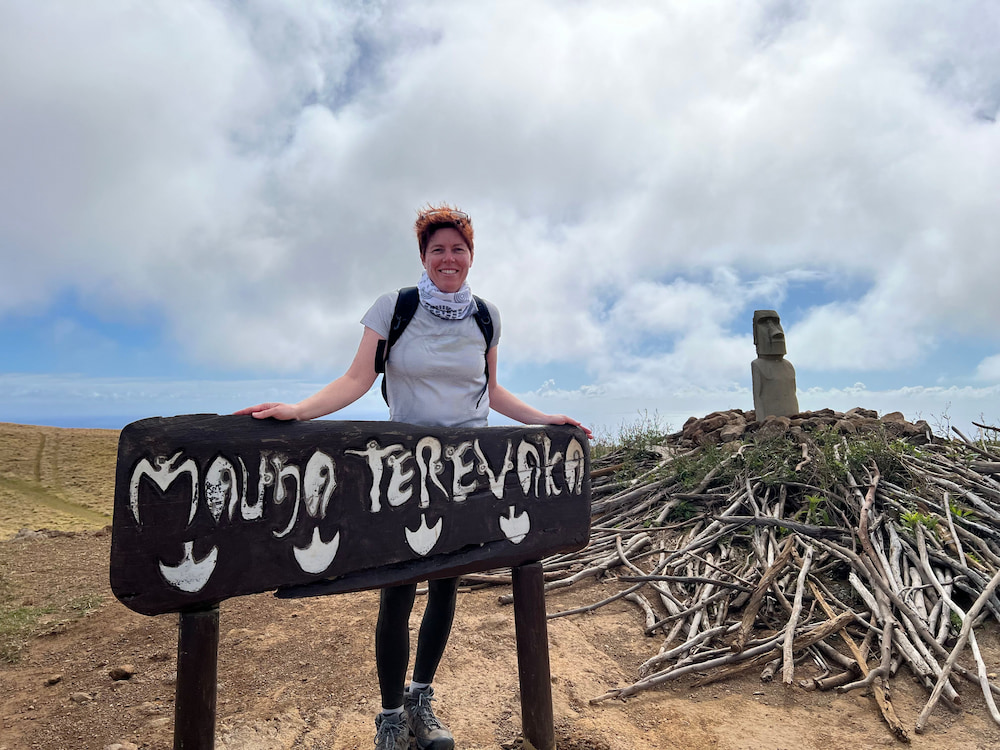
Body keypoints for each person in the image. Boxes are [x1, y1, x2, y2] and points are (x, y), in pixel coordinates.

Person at [236, 204, 591, 750]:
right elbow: (358, 377)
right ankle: (389, 714)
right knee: (398, 592)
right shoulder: (394, 308)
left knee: (446, 585)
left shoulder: (487, 316)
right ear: (423, 258)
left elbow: (491, 392)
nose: (448, 258)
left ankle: (421, 699)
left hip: (465, 471)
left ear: (471, 256)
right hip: (405, 468)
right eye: (437, 250)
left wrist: (544, 418)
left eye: (458, 249)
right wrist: (300, 411)